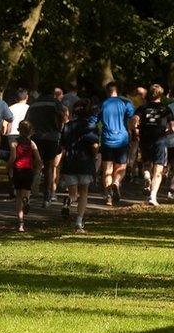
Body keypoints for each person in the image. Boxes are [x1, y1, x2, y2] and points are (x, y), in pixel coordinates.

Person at [60, 100, 99, 231]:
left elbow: (63, 145)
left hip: (70, 162)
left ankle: (69, 201)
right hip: (85, 162)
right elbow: (94, 145)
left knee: (73, 193)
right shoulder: (91, 126)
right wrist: (95, 155)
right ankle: (78, 222)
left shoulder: (67, 126)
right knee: (83, 193)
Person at [25, 87, 67, 208]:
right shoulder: (55, 103)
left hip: (36, 137)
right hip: (51, 137)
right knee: (49, 166)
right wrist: (59, 128)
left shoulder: (33, 104)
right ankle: (47, 196)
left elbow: (27, 120)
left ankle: (28, 194)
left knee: (34, 165)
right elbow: (62, 116)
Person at [133, 85, 173, 206]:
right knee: (158, 168)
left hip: (145, 139)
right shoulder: (166, 109)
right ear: (160, 95)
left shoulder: (142, 108)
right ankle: (152, 197)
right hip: (159, 140)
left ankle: (146, 175)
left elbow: (134, 121)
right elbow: (172, 127)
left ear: (149, 94)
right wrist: (166, 132)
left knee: (147, 163)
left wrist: (136, 131)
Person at [98, 82, 135, 206]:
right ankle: (116, 182)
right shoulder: (126, 103)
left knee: (107, 169)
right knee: (121, 166)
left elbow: (95, 120)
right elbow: (133, 118)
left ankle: (108, 196)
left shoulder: (102, 104)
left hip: (107, 139)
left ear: (107, 91)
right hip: (122, 139)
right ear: (118, 91)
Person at [9, 121, 43, 232]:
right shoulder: (32, 143)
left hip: (18, 170)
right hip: (28, 170)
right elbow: (38, 159)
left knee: (18, 196)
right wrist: (38, 169)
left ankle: (20, 224)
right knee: (26, 193)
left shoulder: (14, 142)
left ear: (19, 130)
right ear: (31, 131)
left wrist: (8, 166)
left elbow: (13, 157)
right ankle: (27, 200)